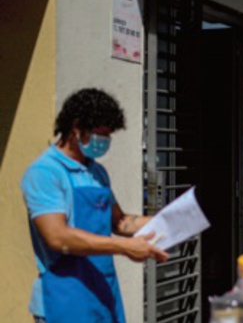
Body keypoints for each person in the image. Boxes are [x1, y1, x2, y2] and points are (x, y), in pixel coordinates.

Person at [21, 88, 169, 323]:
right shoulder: (45, 172)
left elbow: (118, 221)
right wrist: (124, 247)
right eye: (100, 134)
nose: (104, 142)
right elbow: (57, 237)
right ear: (76, 127)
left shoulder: (97, 172)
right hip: (64, 297)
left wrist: (167, 221)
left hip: (101, 290)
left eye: (108, 136)